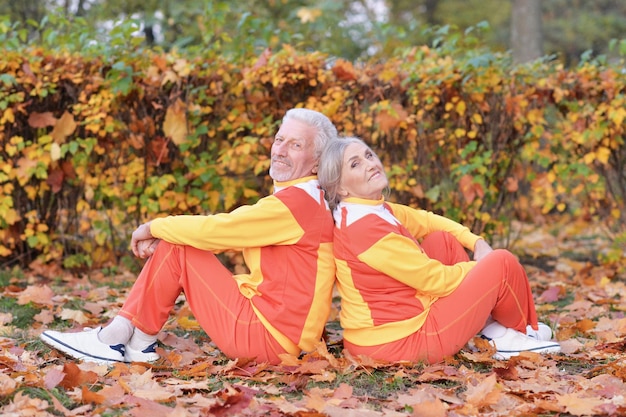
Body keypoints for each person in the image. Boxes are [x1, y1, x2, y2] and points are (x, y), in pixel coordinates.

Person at [40, 108, 339, 365]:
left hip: (268, 339)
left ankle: (115, 338)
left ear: (316, 162)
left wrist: (152, 227)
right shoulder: (310, 200)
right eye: (279, 139)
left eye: (296, 144)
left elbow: (218, 232)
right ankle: (138, 341)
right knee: (179, 244)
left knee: (180, 245)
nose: (281, 150)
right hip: (284, 335)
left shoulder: (297, 204)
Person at [317, 136, 561, 363]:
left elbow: (427, 220)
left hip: (393, 330)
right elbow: (435, 280)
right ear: (340, 188)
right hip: (397, 342)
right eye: (355, 164)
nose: (370, 164)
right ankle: (517, 335)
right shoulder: (364, 229)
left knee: (441, 240)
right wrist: (484, 270)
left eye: (369, 156)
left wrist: (476, 242)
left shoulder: (371, 210)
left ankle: (491, 331)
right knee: (502, 262)